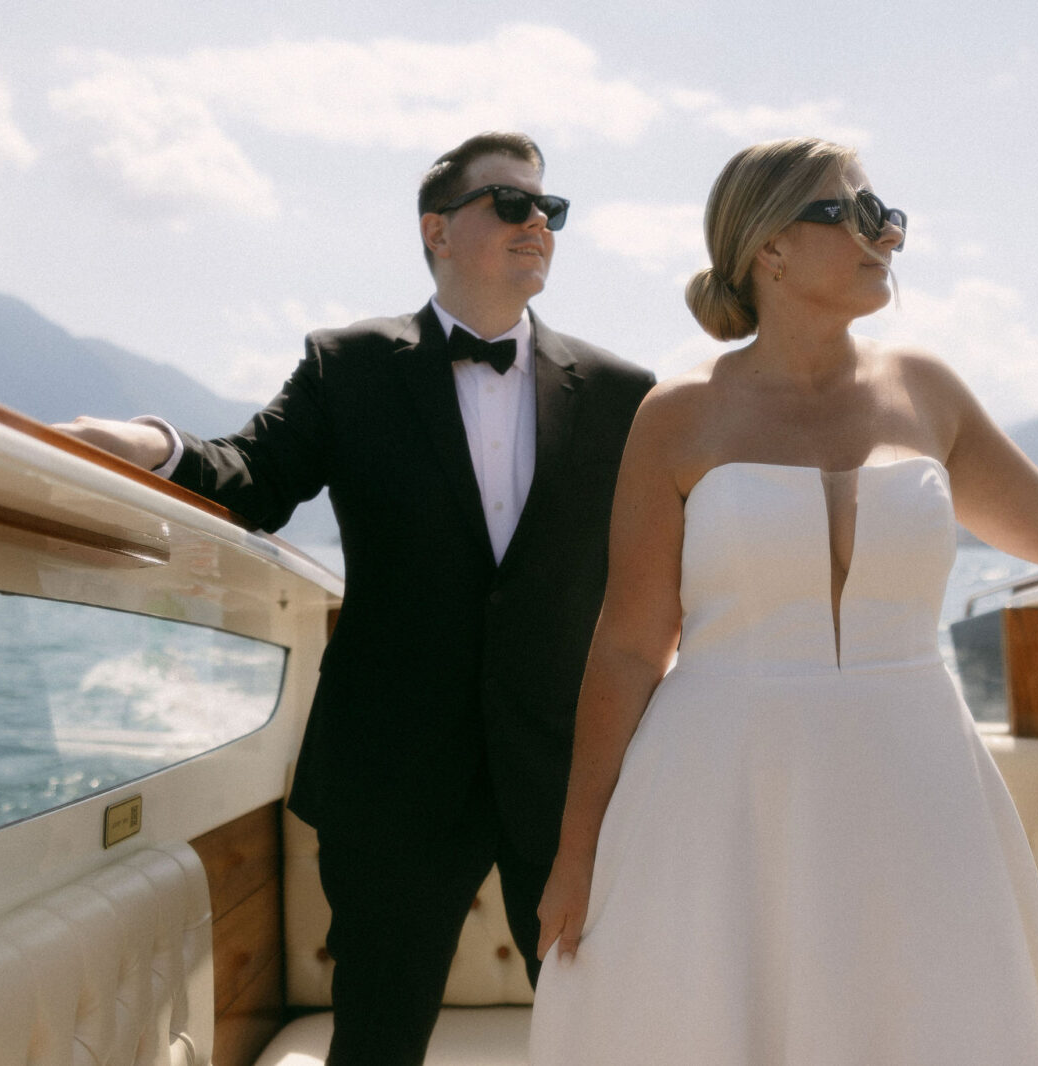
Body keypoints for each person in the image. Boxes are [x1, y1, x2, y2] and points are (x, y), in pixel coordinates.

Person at [528, 137, 1038, 1064]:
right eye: (853, 211)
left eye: (888, 214)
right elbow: (630, 647)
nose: (885, 234)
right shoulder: (677, 416)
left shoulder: (925, 390)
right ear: (768, 246)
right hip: (722, 792)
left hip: (914, 779)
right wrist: (577, 853)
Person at [53, 131, 655, 1065]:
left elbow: (667, 566)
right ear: (438, 231)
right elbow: (254, 471)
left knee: (610, 1038)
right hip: (392, 771)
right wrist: (156, 446)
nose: (537, 221)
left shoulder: (624, 393)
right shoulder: (350, 366)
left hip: (568, 777)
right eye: (510, 203)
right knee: (376, 1039)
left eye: (550, 209)